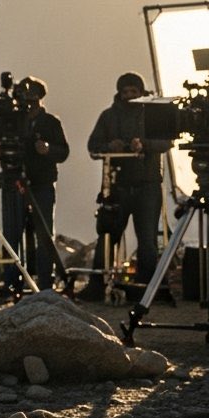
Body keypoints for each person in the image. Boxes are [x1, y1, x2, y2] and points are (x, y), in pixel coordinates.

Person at [0, 76, 69, 297]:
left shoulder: (50, 122)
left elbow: (63, 152)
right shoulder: (10, 120)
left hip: (41, 182)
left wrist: (47, 149)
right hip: (13, 182)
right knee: (12, 234)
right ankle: (12, 282)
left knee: (44, 234)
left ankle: (45, 284)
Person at [83, 71, 171, 298]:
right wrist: (109, 146)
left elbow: (166, 142)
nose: (130, 95)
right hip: (117, 187)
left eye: (134, 91)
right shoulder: (108, 116)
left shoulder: (153, 114)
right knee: (108, 236)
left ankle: (147, 289)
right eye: (126, 92)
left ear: (141, 92)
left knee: (147, 241)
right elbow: (93, 145)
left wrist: (144, 145)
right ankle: (97, 285)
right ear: (119, 93)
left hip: (147, 185)